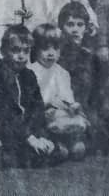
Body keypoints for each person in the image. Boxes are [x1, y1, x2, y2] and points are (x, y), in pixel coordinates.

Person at [0, 25, 57, 168]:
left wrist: (41, 136)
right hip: (3, 131)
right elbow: (3, 114)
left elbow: (38, 108)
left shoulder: (28, 75)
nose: (21, 56)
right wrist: (29, 138)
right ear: (3, 51)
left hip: (27, 132)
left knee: (55, 151)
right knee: (13, 159)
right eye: (15, 50)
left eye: (26, 51)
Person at [29, 24, 89, 160]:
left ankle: (71, 142)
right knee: (51, 119)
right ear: (36, 49)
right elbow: (32, 100)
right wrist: (49, 103)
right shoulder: (31, 71)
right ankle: (57, 144)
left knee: (73, 118)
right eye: (45, 49)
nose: (51, 53)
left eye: (55, 49)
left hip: (60, 113)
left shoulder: (62, 72)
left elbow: (66, 95)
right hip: (41, 114)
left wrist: (71, 105)